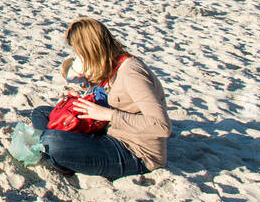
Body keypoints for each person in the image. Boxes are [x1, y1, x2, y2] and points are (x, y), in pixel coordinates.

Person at [28, 17, 170, 180]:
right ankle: (57, 153)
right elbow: (111, 97)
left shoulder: (132, 73)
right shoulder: (110, 64)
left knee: (52, 141)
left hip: (135, 151)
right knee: (41, 113)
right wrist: (81, 97)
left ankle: (59, 158)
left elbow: (162, 126)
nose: (78, 57)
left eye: (79, 52)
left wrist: (107, 115)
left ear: (91, 50)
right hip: (107, 131)